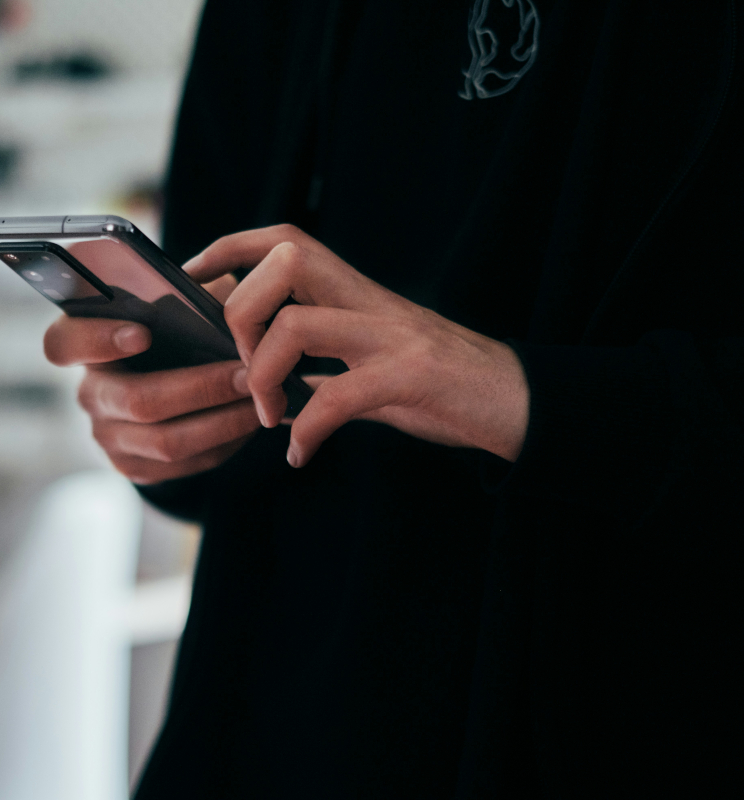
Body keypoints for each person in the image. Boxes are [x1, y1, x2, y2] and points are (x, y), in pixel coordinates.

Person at [45, 1, 743, 795]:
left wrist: (513, 392)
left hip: (628, 720)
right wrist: (161, 426)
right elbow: (229, 427)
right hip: (268, 727)